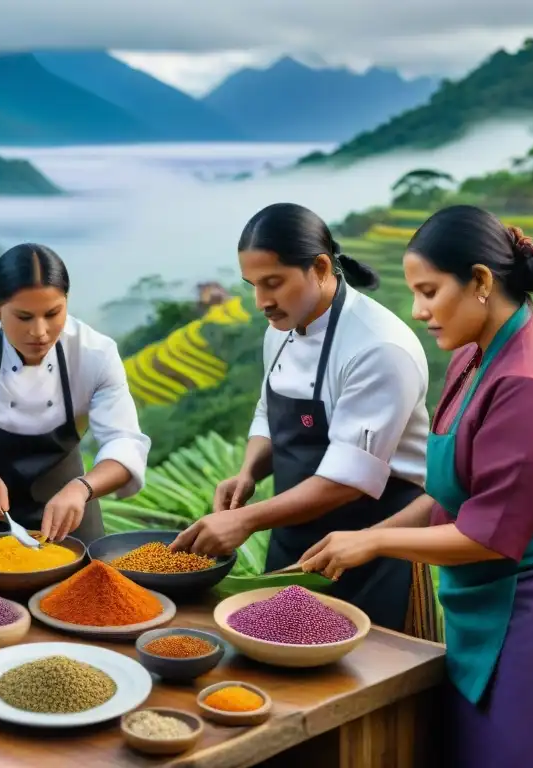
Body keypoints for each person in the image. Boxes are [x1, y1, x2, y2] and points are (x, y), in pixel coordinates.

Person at [299, 205, 533, 767]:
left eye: (430, 292)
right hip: (479, 600)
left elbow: (490, 535)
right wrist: (363, 535)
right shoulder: (473, 354)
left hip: (529, 607)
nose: (418, 311)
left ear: (481, 282)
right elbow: (450, 495)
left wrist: (372, 543)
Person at [171, 202, 430, 632]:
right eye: (252, 285)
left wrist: (246, 519)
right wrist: (249, 472)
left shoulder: (379, 348)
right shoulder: (282, 330)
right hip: (292, 536)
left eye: (273, 283)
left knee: (370, 677)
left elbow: (349, 479)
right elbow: (269, 409)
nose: (261, 302)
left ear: (321, 267)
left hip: (370, 547)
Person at [0, 243, 150, 544]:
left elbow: (124, 441)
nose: (40, 331)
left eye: (53, 313)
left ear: (67, 302)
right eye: (24, 317)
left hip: (72, 513)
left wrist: (82, 488)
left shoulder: (95, 354)